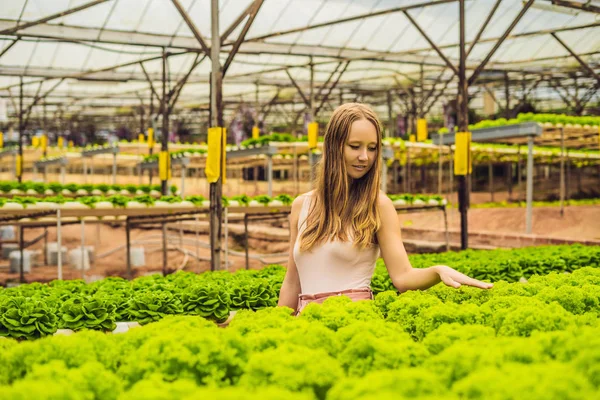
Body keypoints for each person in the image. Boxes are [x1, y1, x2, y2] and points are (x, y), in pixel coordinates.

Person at [278, 103, 493, 316]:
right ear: (333, 147)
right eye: (355, 146)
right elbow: (292, 283)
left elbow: (403, 277)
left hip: (354, 321)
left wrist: (438, 271)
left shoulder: (378, 205)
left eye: (372, 148)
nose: (365, 157)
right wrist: (278, 326)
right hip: (305, 322)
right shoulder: (301, 206)